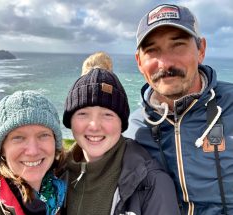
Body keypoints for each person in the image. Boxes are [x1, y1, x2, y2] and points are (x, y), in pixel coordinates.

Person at [124, 3, 233, 215]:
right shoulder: (133, 130)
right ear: (139, 61)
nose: (165, 63)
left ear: (201, 49)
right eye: (152, 50)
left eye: (178, 45)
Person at [60, 67, 180, 214]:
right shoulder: (57, 174)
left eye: (107, 115)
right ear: (69, 122)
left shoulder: (152, 183)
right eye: (83, 114)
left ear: (121, 123)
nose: (95, 126)